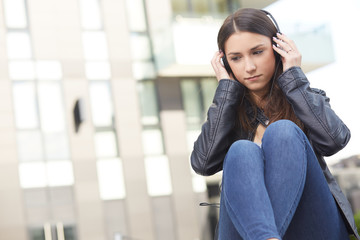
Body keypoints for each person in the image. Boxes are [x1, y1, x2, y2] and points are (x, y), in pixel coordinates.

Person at [190, 8, 360, 240]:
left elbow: (335, 141)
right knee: (241, 150)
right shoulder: (228, 112)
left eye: (257, 52)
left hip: (313, 227)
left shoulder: (302, 95)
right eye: (236, 58)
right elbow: (203, 164)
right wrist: (226, 92)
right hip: (247, 232)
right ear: (225, 64)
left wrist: (294, 78)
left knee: (283, 132)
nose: (249, 67)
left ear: (278, 48)